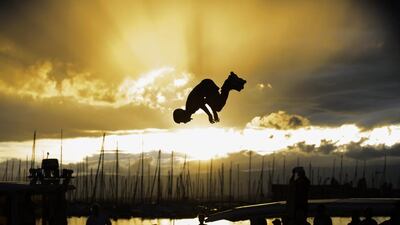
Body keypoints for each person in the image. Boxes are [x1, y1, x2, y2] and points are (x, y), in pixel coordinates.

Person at [173, 72, 246, 124]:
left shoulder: (190, 108)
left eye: (182, 121)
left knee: (218, 107)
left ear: (182, 116)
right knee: (218, 106)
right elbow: (205, 101)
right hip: (207, 87)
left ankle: (228, 83)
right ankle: (229, 84)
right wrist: (212, 113)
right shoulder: (190, 109)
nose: (184, 123)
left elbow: (204, 102)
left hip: (207, 86)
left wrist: (211, 114)